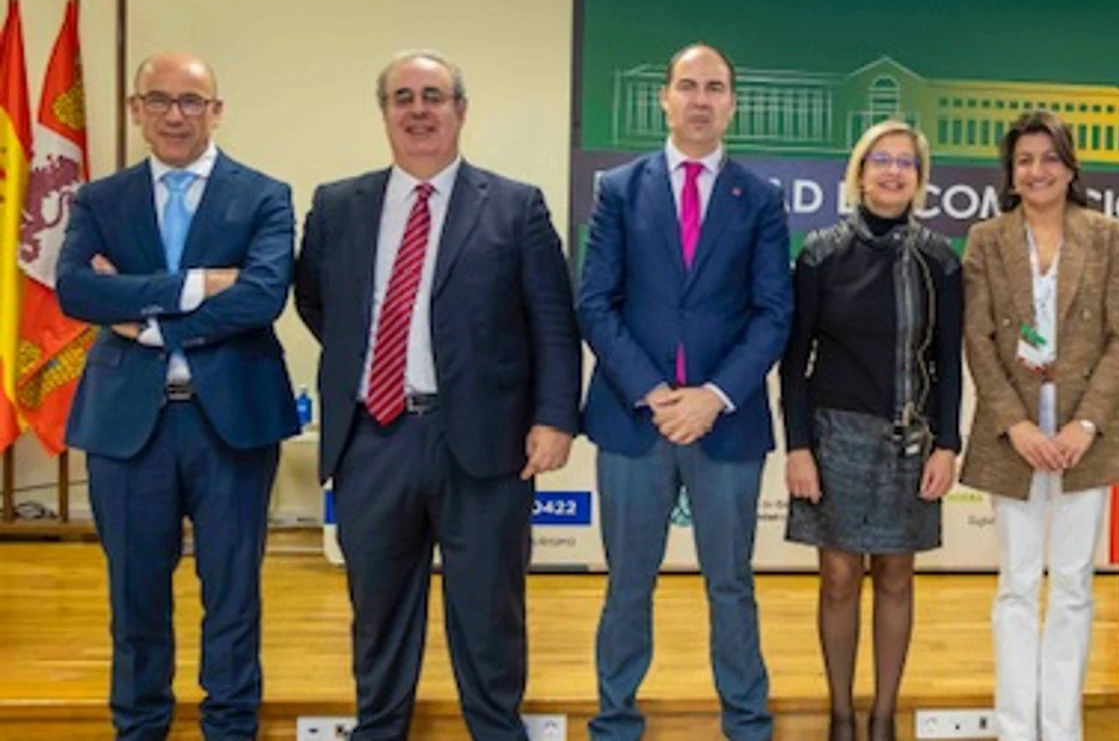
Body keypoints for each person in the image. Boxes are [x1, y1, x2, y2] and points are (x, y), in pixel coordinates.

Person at [294, 49, 581, 740]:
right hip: (375, 437)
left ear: (461, 109)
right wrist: (376, 365)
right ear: (385, 111)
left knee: (489, 614)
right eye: (403, 97)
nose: (418, 109)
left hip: (484, 442)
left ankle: (495, 730)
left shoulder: (515, 206)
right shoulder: (338, 205)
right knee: (380, 610)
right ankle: (379, 729)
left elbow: (553, 322)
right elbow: (316, 301)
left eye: (433, 95)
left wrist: (553, 417)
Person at [57, 52, 297, 741]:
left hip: (233, 422)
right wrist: (197, 286)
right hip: (127, 426)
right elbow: (76, 289)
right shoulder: (100, 199)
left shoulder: (263, 194)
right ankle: (140, 726)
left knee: (232, 595)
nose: (174, 114)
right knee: (135, 596)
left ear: (216, 110)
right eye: (157, 100)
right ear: (136, 110)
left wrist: (143, 320)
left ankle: (229, 726)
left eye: (191, 101)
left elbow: (261, 295)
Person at [579, 42, 792, 741]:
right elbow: (595, 303)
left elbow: (773, 313)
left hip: (724, 425)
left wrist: (712, 396)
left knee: (730, 584)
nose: (701, 99)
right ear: (664, 98)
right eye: (688, 85)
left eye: (716, 87)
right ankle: (614, 721)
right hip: (634, 419)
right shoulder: (618, 188)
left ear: (732, 104)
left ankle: (747, 722)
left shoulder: (759, 199)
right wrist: (651, 390)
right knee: (627, 584)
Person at [959, 109, 1119, 741]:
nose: (1038, 171)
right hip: (1014, 437)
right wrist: (1018, 427)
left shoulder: (1108, 236)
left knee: (1071, 585)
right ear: (1010, 174)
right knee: (1014, 584)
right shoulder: (986, 239)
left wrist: (1084, 424)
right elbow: (978, 340)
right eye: (1025, 160)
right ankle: (1015, 728)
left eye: (1049, 158)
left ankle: (1060, 728)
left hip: (1085, 437)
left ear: (1070, 168)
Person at [780, 120, 963, 741]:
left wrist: (949, 442)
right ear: (859, 172)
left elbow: (946, 361)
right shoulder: (821, 253)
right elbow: (794, 360)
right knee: (837, 579)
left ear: (920, 177)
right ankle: (840, 715)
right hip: (834, 438)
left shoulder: (939, 259)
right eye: (880, 160)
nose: (892, 171)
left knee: (895, 576)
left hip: (909, 439)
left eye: (905, 163)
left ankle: (883, 718)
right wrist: (799, 446)